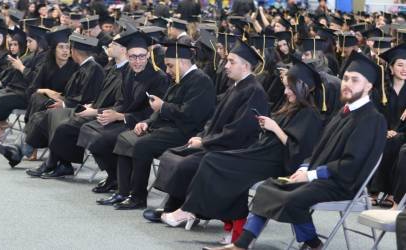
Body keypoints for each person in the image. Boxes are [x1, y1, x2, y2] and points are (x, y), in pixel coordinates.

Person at [204, 50, 387, 250]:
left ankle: (314, 244)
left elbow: (352, 164)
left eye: (355, 80)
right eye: (345, 78)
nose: (347, 84)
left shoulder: (371, 119)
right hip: (322, 176)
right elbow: (317, 149)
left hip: (343, 182)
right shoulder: (343, 113)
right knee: (268, 187)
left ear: (369, 86)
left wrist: (311, 175)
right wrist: (304, 168)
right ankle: (242, 244)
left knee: (293, 198)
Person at [162, 57, 324, 243]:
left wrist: (275, 128)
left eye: (290, 88)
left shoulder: (310, 115)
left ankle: (190, 210)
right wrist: (267, 126)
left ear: (303, 89)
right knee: (214, 160)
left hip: (276, 162)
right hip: (262, 152)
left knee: (217, 163)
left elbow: (299, 152)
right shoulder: (290, 108)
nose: (286, 92)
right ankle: (219, 222)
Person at [143, 39, 270, 223]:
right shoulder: (236, 87)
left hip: (235, 149)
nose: (226, 65)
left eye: (231, 62)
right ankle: (176, 207)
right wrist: (202, 136)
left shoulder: (254, 91)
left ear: (246, 65)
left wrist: (205, 142)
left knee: (187, 164)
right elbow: (214, 119)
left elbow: (239, 130)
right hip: (219, 142)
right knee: (176, 154)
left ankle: (187, 210)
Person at [107, 42, 216, 210]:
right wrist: (146, 122)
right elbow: (161, 107)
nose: (167, 70)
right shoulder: (179, 78)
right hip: (168, 128)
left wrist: (163, 107)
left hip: (187, 132)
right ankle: (124, 191)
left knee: (142, 145)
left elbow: (191, 116)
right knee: (127, 137)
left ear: (182, 62)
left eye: (170, 65)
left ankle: (138, 197)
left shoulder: (201, 81)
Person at [76, 30, 169, 194]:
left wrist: (121, 116)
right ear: (127, 55)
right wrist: (110, 113)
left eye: (141, 56)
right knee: (88, 129)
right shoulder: (127, 71)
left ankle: (118, 180)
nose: (137, 61)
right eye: (133, 57)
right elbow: (122, 101)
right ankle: (114, 176)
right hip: (124, 118)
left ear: (148, 55)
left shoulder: (158, 77)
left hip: (142, 123)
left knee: (103, 138)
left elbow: (152, 111)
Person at [0, 32, 103, 170]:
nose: (66, 51)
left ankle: (25, 152)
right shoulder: (83, 67)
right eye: (61, 47)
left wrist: (63, 103)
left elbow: (87, 98)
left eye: (68, 48)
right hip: (64, 105)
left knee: (42, 115)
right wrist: (50, 94)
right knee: (39, 105)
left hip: (79, 111)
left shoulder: (92, 69)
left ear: (73, 51)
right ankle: (20, 151)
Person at [370, 43, 406, 209]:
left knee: (396, 142)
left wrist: (396, 132)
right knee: (383, 140)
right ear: (391, 68)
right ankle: (376, 191)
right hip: (382, 131)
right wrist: (384, 130)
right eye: (400, 64)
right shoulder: (380, 90)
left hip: (403, 134)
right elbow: (373, 114)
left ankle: (390, 193)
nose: (404, 68)